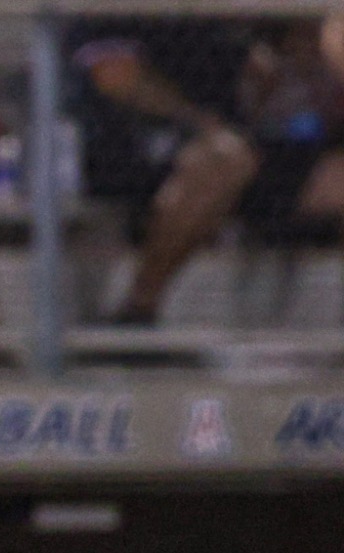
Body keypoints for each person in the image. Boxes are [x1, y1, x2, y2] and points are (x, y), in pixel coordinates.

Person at [72, 17, 344, 324]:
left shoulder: (225, 21)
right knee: (224, 158)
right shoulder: (117, 15)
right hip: (140, 147)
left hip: (246, 144)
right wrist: (197, 120)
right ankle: (137, 311)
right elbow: (114, 76)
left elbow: (270, 73)